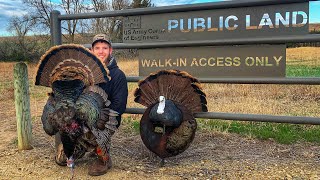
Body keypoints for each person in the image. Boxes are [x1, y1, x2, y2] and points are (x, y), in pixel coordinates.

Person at [54, 34, 128, 176]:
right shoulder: (83, 73)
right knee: (63, 159)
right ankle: (84, 147)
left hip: (105, 120)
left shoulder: (118, 75)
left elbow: (119, 107)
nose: (101, 51)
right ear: (92, 50)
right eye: (97, 48)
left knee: (95, 129)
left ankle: (103, 157)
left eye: (105, 48)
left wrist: (96, 119)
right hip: (81, 120)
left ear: (110, 50)